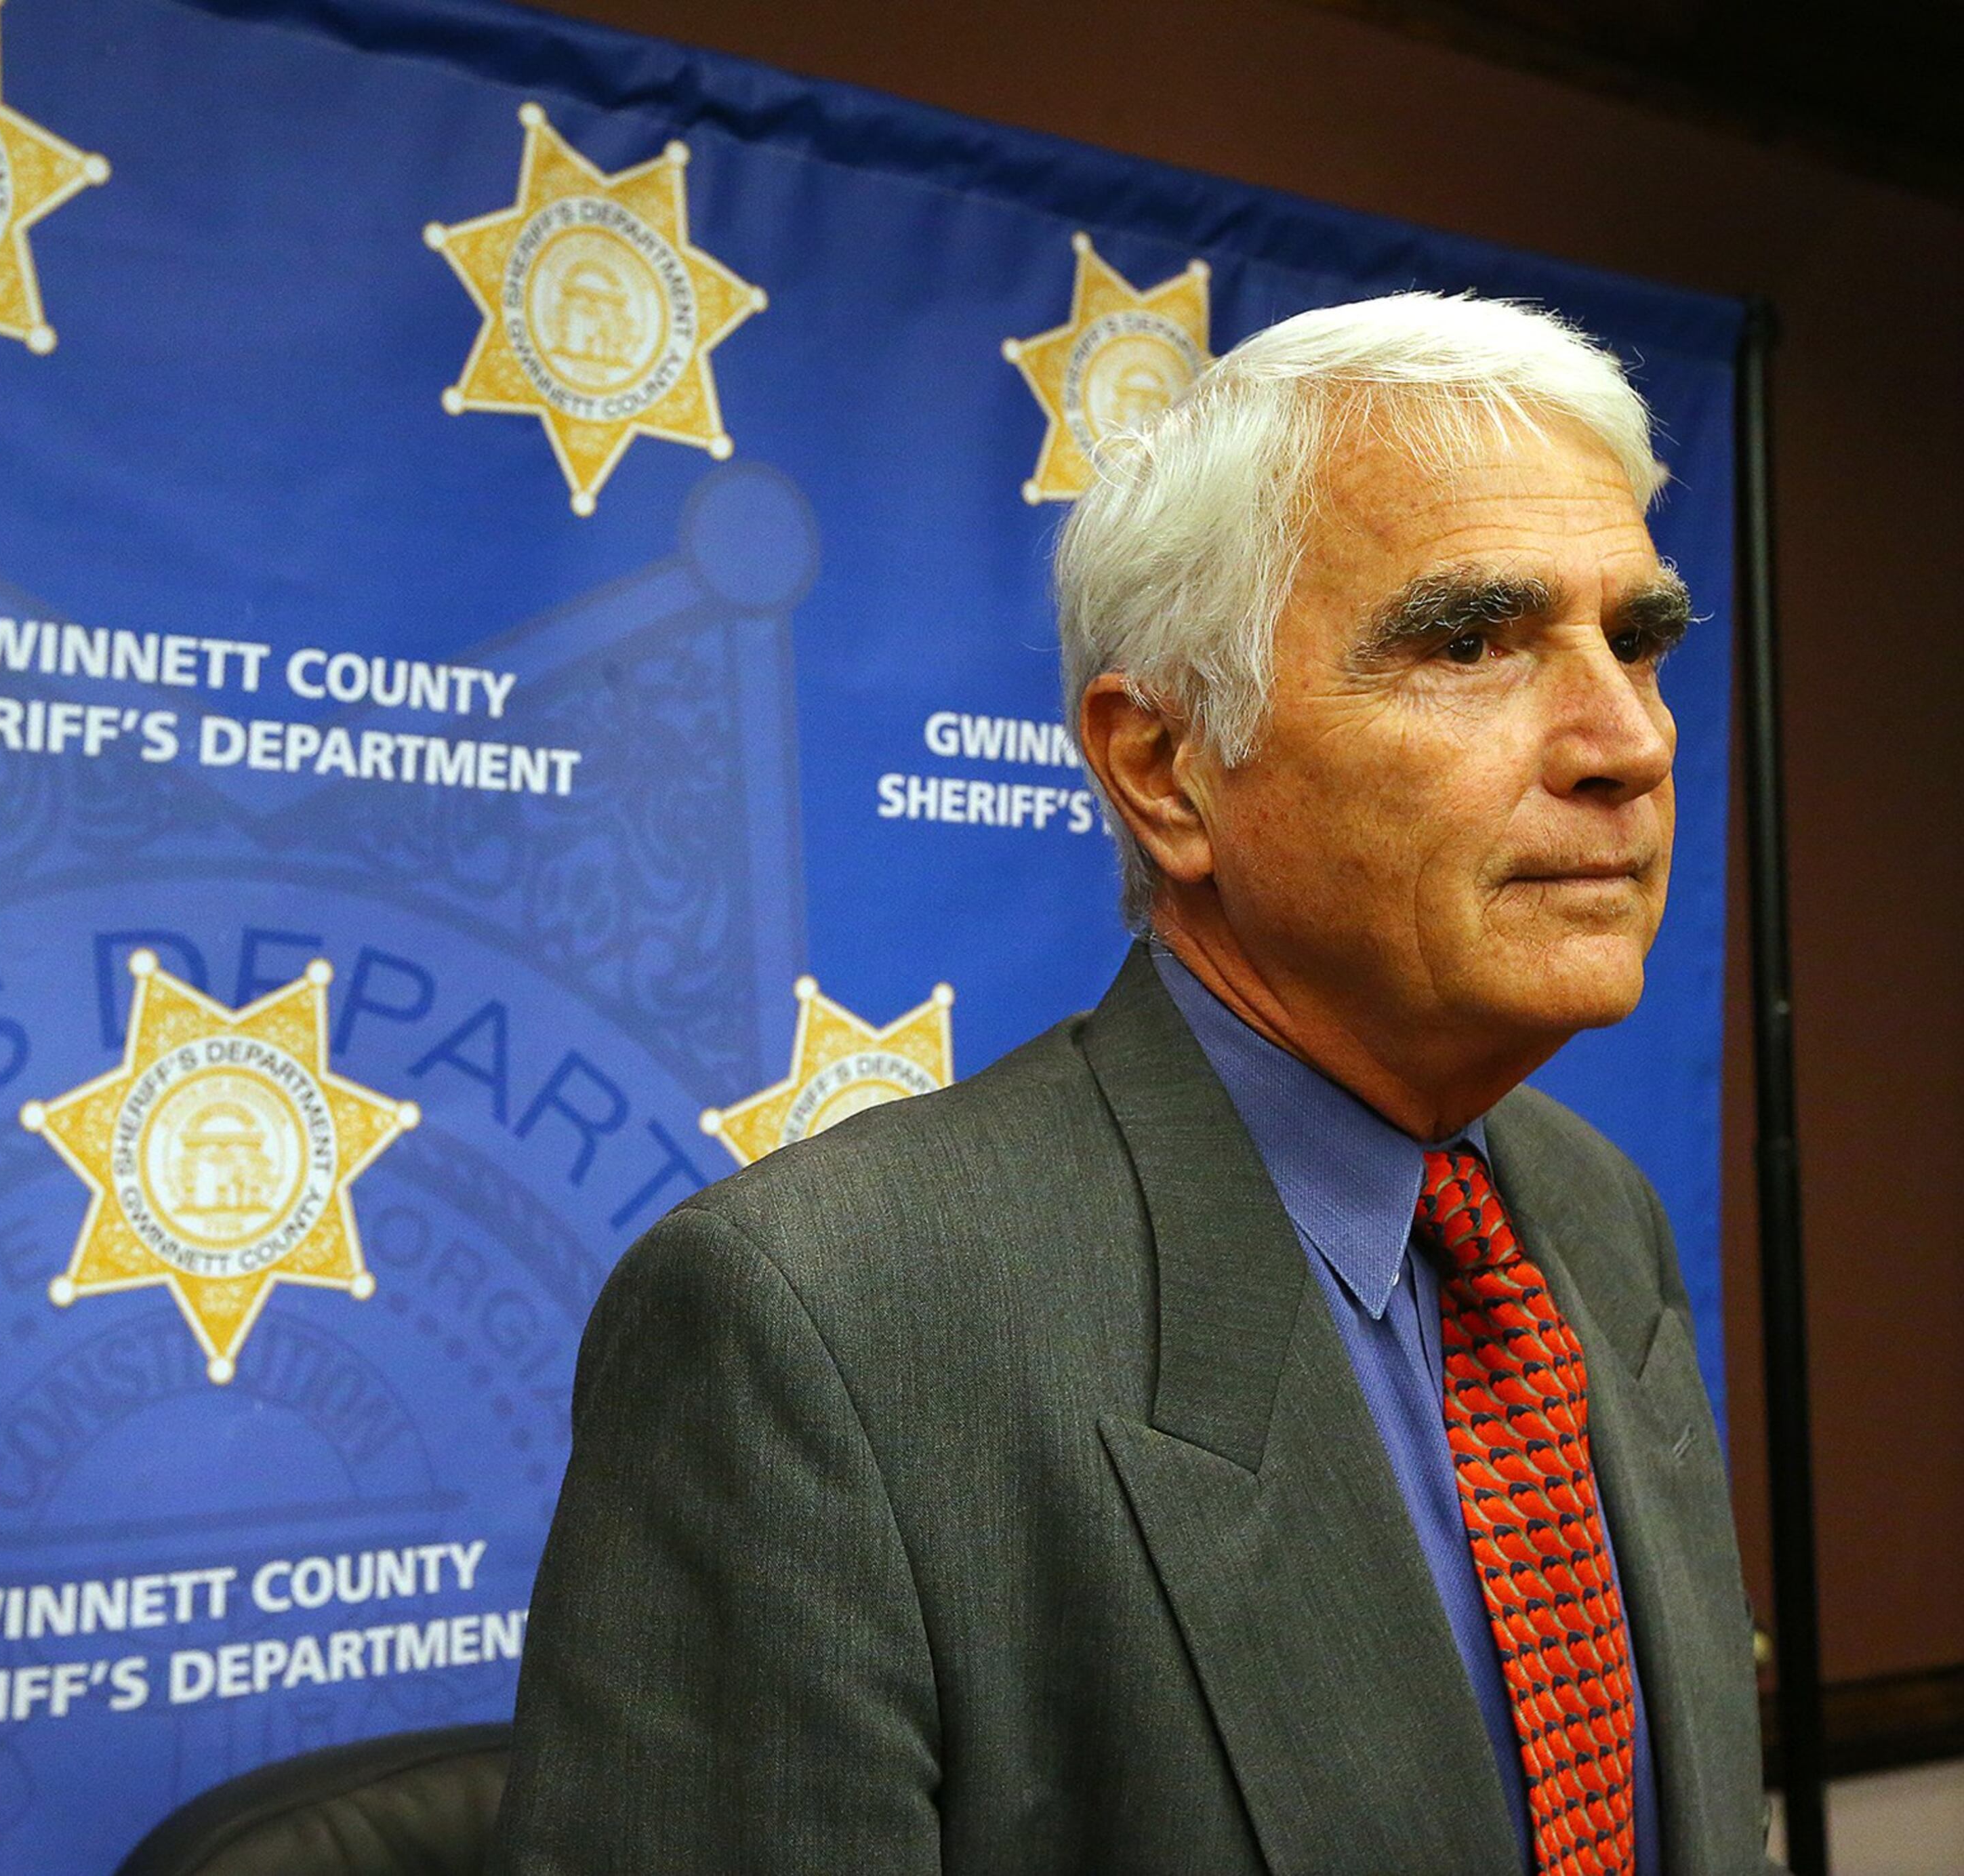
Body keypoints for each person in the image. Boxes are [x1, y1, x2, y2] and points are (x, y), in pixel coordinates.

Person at [489, 295, 1776, 1875]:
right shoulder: (819, 1319)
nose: (1625, 740)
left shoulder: (1589, 1208)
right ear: (1166, 767)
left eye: (1635, 640)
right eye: (1470, 643)